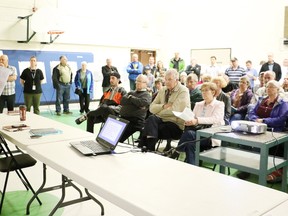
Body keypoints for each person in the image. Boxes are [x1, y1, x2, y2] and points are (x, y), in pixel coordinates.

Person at [238, 80, 288, 181]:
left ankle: (254, 169)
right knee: (243, 143)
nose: (268, 88)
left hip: (273, 131)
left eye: (271, 87)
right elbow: (251, 112)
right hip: (256, 128)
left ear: (277, 89)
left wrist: (264, 121)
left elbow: (281, 120)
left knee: (257, 146)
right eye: (267, 86)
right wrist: (255, 120)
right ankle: (247, 167)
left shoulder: (283, 103)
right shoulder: (262, 100)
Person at [139, 69, 190, 151]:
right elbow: (151, 108)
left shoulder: (183, 90)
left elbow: (175, 111)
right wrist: (163, 106)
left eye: (169, 79)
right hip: (160, 121)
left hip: (176, 125)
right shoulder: (163, 90)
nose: (167, 82)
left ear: (176, 80)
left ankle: (145, 148)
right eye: (165, 79)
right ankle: (149, 150)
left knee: (149, 126)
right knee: (151, 120)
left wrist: (158, 112)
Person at [177, 82, 225, 165]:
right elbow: (193, 118)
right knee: (190, 143)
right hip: (196, 133)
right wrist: (189, 121)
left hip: (210, 136)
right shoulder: (198, 104)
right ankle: (192, 167)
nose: (203, 93)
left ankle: (177, 151)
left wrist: (197, 120)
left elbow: (215, 119)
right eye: (202, 91)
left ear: (213, 92)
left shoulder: (219, 104)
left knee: (189, 134)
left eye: (206, 90)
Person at [118, 74, 152, 143]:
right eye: (137, 81)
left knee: (117, 138)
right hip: (122, 118)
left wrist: (130, 98)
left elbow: (141, 103)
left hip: (135, 121)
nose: (137, 83)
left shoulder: (146, 95)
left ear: (145, 84)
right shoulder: (131, 92)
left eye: (140, 81)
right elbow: (122, 101)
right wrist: (135, 102)